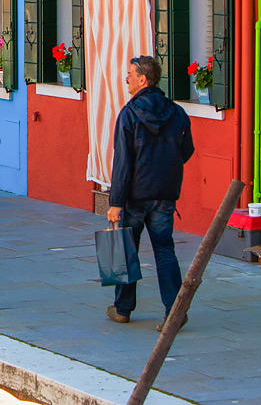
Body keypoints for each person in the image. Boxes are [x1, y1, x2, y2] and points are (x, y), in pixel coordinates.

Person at [106, 55, 195, 332]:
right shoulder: (177, 112)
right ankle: (174, 312)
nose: (126, 78)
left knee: (125, 250)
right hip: (165, 194)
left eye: (130, 74)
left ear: (143, 79)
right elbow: (187, 151)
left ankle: (122, 309)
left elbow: (123, 162)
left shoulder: (129, 114)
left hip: (135, 196)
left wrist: (115, 203)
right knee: (165, 252)